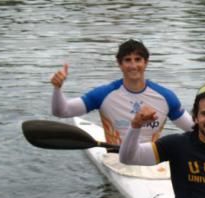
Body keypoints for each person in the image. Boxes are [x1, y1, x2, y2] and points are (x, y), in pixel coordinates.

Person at [50, 39, 194, 144]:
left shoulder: (166, 97)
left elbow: (194, 130)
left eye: (138, 59)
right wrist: (57, 88)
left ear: (146, 62)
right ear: (119, 64)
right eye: (127, 60)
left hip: (151, 160)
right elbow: (62, 112)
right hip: (116, 159)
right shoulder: (103, 95)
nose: (133, 65)